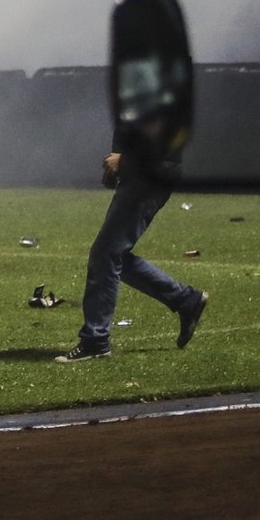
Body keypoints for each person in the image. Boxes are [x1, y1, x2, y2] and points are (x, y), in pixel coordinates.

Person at [54, 119, 208, 362]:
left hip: (148, 179)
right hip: (138, 177)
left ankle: (95, 340)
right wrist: (116, 166)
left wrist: (123, 162)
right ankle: (185, 299)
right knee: (113, 256)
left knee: (105, 254)